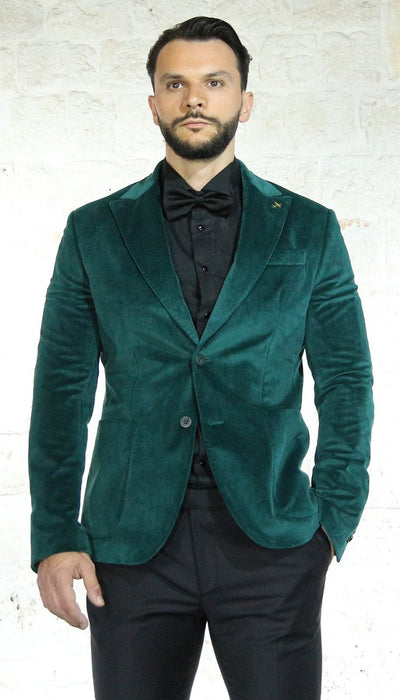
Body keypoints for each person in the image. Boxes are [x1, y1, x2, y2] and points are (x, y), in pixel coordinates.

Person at [29, 16, 373, 700]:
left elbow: (347, 380)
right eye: (175, 84)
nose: (194, 98)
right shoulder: (93, 231)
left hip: (272, 544)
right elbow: (61, 391)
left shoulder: (309, 229)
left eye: (214, 83)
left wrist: (332, 521)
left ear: (245, 101)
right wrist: (55, 534)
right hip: (129, 550)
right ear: (153, 102)